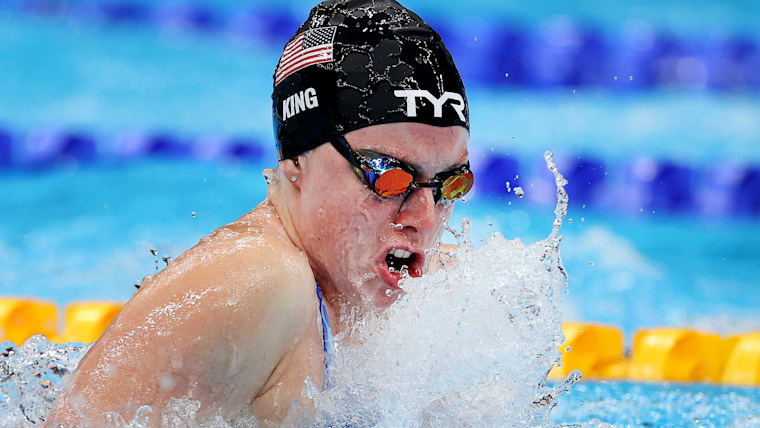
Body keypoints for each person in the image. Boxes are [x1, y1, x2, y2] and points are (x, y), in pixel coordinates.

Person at [45, 0, 473, 425]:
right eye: (389, 177)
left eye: (450, 183)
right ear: (296, 161)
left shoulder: (446, 296)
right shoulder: (257, 282)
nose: (426, 218)